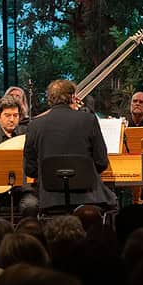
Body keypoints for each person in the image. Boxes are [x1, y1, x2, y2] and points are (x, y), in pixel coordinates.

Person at [24, 79, 117, 211]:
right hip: (89, 198)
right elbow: (101, 162)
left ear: (49, 99)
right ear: (73, 97)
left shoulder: (34, 125)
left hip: (50, 199)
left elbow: (30, 170)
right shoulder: (88, 120)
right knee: (113, 201)